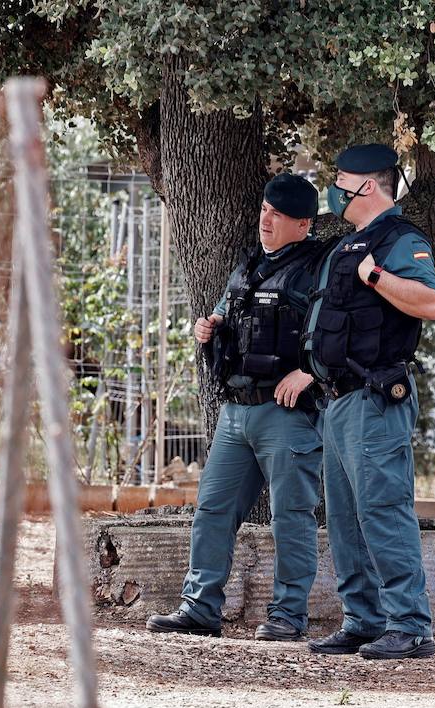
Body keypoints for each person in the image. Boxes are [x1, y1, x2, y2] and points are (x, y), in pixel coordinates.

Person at [147, 174, 331, 641]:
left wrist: (311, 373)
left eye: (278, 214)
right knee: (212, 508)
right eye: (265, 209)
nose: (266, 219)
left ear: (304, 224)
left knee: (290, 515)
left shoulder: (318, 269)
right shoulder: (248, 266)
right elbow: (230, 318)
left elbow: (338, 333)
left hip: (286, 414)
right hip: (236, 413)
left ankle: (289, 616)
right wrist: (209, 330)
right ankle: (200, 607)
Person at [303, 143, 435, 660]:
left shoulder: (399, 240)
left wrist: (377, 276)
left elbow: (431, 303)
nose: (335, 189)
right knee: (344, 518)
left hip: (375, 400)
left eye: (341, 179)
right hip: (337, 402)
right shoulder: (349, 244)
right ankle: (363, 620)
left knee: (383, 510)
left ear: (368, 186)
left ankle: (410, 625)